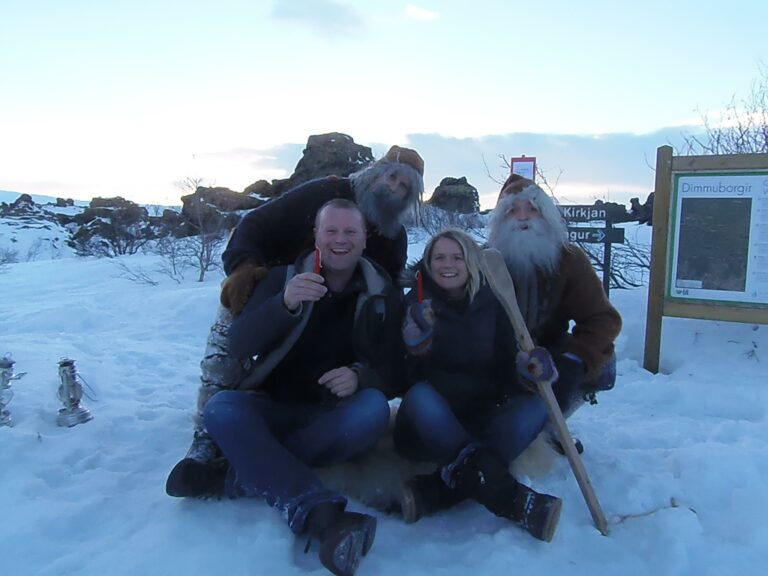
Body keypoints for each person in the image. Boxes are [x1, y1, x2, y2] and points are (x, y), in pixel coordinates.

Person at [166, 146, 423, 497]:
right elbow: (254, 224)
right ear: (376, 172)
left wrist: (364, 368)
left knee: (364, 407)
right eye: (392, 176)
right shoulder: (325, 192)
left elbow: (388, 294)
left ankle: (252, 464)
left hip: (340, 315)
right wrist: (248, 272)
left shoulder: (393, 234)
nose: (395, 188)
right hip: (277, 287)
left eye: (406, 187)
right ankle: (206, 441)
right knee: (229, 338)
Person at [202, 199, 404, 576]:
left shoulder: (382, 293)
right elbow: (240, 344)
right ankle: (317, 510)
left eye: (350, 232)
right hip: (275, 408)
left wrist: (361, 376)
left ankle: (249, 470)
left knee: (374, 409)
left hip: (333, 421)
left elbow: (396, 369)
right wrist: (285, 304)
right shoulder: (283, 278)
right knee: (222, 409)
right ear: (316, 237)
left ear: (364, 240)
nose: (340, 240)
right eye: (331, 231)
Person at [395, 229, 562, 542]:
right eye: (439, 257)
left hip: (481, 417)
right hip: (430, 426)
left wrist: (528, 370)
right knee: (420, 397)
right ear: (428, 264)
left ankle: (440, 490)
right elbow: (401, 378)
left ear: (471, 262)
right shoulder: (414, 303)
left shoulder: (493, 301)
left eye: (457, 257)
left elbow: (504, 367)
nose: (449, 264)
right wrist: (417, 347)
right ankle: (512, 500)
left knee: (540, 404)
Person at [487, 174, 622, 449]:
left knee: (604, 364)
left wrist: (575, 360)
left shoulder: (569, 259)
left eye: (531, 209)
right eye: (512, 210)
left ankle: (555, 419)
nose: (522, 217)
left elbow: (601, 318)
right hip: (499, 357)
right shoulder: (486, 259)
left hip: (552, 354)